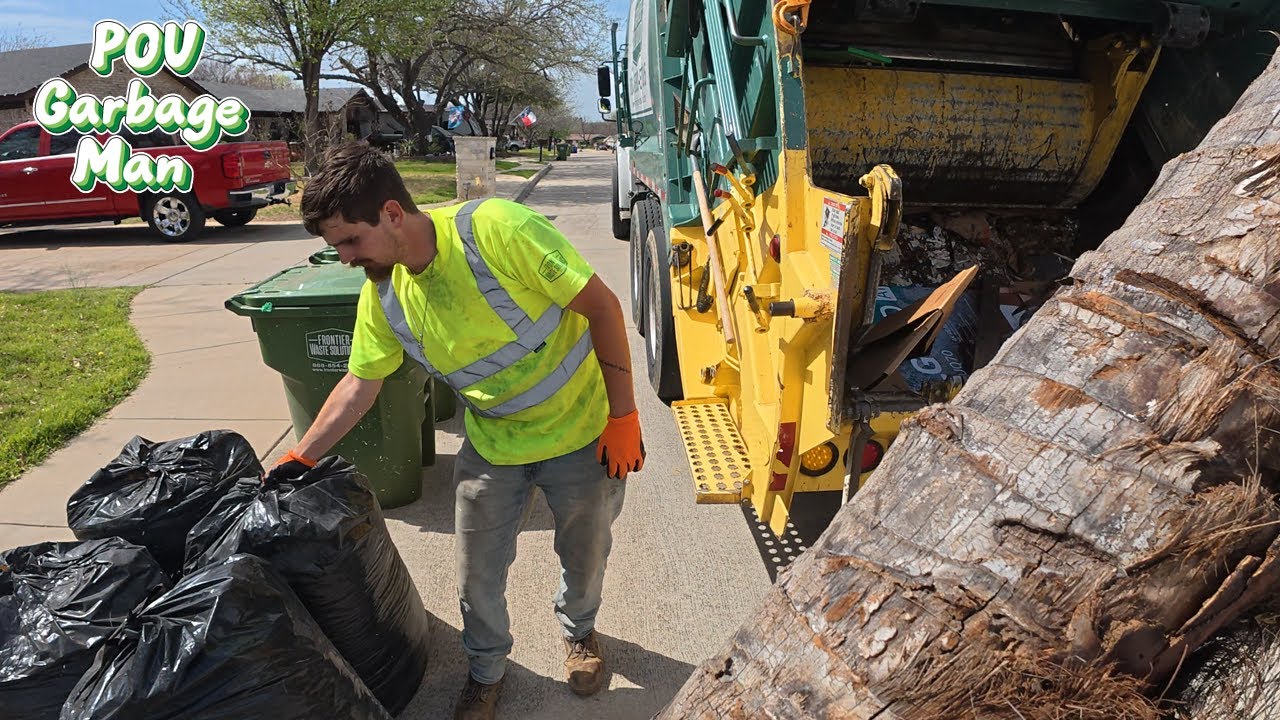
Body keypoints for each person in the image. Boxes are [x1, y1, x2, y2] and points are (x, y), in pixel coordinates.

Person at [266, 142, 644, 720]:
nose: (344, 258)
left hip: (581, 432)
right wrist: (302, 456)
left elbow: (603, 308)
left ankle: (579, 631)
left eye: (351, 241)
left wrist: (624, 417)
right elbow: (359, 384)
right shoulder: (384, 295)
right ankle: (486, 671)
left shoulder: (496, 230)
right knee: (476, 576)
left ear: (392, 213)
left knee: (585, 554)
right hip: (494, 444)